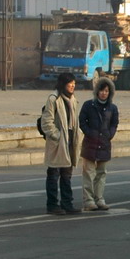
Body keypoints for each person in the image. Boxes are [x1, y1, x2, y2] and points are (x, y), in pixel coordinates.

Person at [41, 73, 82, 215]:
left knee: (67, 174)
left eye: (74, 84)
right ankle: (52, 205)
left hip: (70, 140)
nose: (72, 86)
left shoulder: (73, 99)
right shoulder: (54, 99)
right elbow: (46, 122)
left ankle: (67, 203)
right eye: (70, 83)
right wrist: (56, 135)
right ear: (62, 84)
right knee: (53, 173)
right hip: (58, 141)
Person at [79, 78, 120, 211]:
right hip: (90, 144)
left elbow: (114, 123)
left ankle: (99, 199)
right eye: (102, 90)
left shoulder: (112, 108)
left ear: (110, 93)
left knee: (101, 173)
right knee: (88, 174)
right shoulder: (88, 105)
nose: (104, 93)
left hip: (104, 144)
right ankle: (89, 201)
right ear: (97, 91)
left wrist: (110, 134)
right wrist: (89, 133)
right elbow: (82, 121)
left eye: (107, 91)